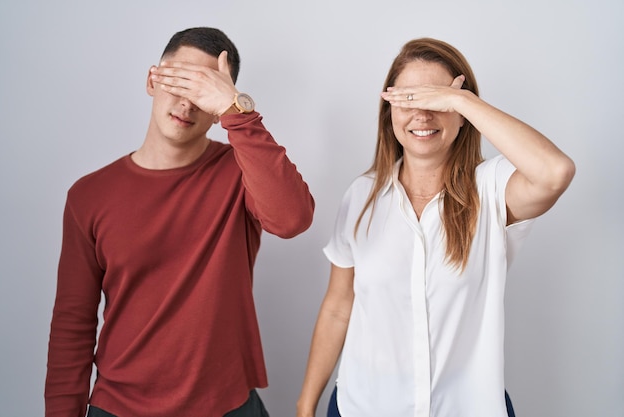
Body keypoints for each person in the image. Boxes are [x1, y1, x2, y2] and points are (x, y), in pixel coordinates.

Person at [296, 38, 575, 417]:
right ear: (389, 111)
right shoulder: (361, 196)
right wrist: (305, 404)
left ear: (463, 116)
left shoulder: (492, 189)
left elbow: (555, 172)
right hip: (363, 407)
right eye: (409, 99)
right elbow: (338, 307)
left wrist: (462, 101)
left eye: (436, 101)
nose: (422, 115)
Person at [45, 27, 314, 417]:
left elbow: (292, 219)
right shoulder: (89, 195)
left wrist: (236, 111)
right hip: (120, 406)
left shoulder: (242, 172)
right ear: (153, 80)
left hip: (227, 406)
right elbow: (73, 322)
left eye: (204, 91)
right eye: (180, 82)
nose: (188, 104)